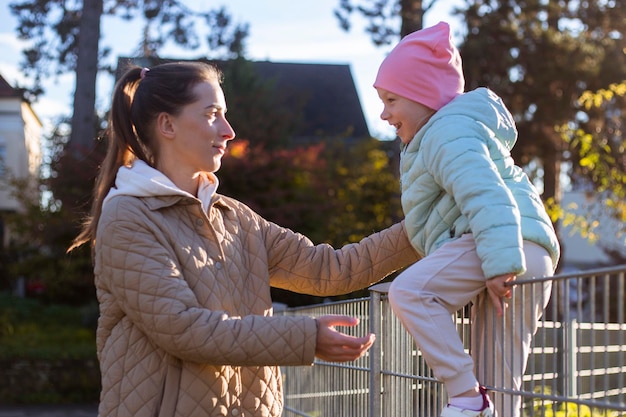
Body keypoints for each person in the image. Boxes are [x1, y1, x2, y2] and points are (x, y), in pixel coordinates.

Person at [69, 61, 420, 417]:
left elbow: (331, 269)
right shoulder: (128, 219)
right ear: (167, 124)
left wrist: (426, 226)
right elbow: (186, 329)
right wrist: (307, 338)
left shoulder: (236, 217)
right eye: (212, 114)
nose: (228, 130)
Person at [373, 22, 560, 417]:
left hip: (507, 244)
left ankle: (464, 397)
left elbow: (486, 193)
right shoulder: (453, 130)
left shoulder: (446, 133)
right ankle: (484, 403)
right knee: (501, 380)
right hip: (528, 246)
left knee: (411, 293)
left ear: (423, 96)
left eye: (392, 100)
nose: (384, 114)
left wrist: (500, 262)